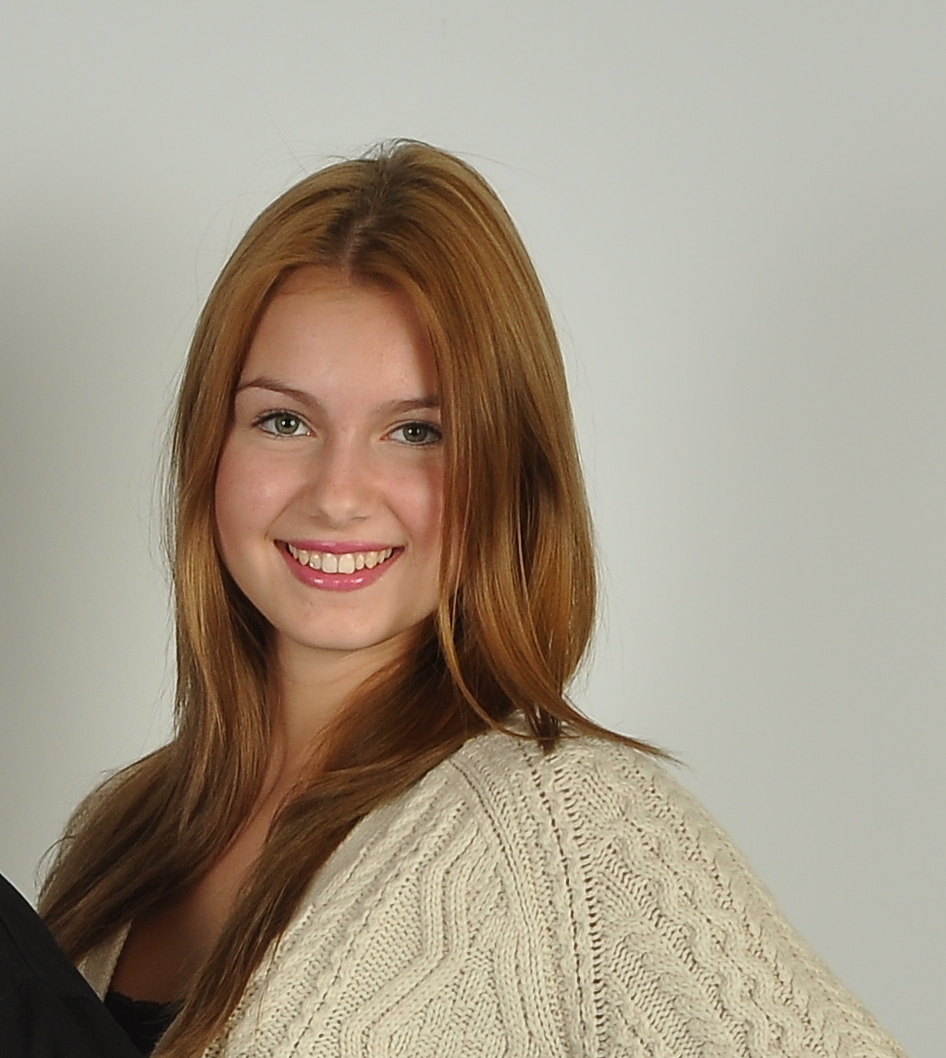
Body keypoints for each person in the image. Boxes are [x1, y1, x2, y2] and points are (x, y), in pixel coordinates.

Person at [25, 141, 905, 1057]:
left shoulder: (576, 828)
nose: (337, 494)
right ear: (211, 446)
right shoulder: (127, 828)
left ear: (511, 471)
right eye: (284, 421)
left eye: (417, 432)